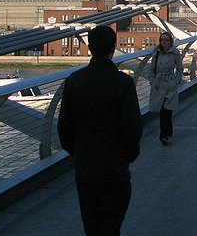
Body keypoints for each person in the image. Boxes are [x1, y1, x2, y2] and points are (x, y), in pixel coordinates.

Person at [57, 25, 142, 235]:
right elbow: (132, 126)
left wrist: (78, 153)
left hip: (86, 169)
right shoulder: (123, 82)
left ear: (89, 48)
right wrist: (128, 155)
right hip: (115, 169)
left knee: (92, 226)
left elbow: (64, 127)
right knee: (112, 223)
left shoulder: (74, 81)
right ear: (113, 48)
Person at [148, 32, 183, 146]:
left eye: (166, 40)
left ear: (170, 41)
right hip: (158, 83)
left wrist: (176, 81)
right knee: (162, 110)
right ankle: (166, 134)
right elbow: (152, 68)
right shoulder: (156, 52)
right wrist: (152, 80)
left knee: (167, 110)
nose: (163, 42)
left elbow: (179, 68)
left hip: (169, 83)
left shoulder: (175, 52)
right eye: (162, 40)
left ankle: (165, 135)